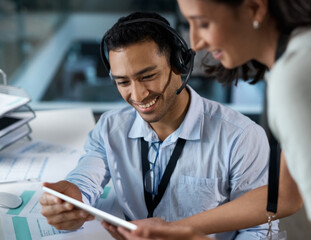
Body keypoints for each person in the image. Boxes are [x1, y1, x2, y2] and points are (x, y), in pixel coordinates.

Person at [123, 0, 311, 239]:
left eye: (203, 24)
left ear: (255, 8)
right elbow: (284, 196)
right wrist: (175, 229)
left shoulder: (303, 77)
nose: (195, 43)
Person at [39, 12, 277, 240]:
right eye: (123, 82)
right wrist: (70, 198)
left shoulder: (242, 137)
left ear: (179, 64)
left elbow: (261, 230)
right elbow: (86, 177)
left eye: (147, 76)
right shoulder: (111, 127)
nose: (138, 94)